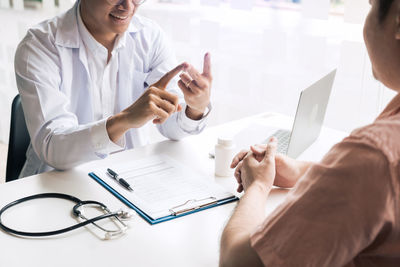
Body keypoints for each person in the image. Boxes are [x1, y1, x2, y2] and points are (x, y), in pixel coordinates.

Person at [219, 0, 400, 266]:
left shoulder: (373, 154)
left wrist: (257, 186)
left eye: (371, 5)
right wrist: (305, 173)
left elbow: (239, 261)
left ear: (397, 19)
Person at [14, 0, 212, 177]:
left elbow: (170, 127)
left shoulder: (150, 37)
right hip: (56, 182)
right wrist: (125, 119)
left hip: (128, 178)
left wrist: (194, 108)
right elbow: (53, 148)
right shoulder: (39, 46)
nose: (128, 7)